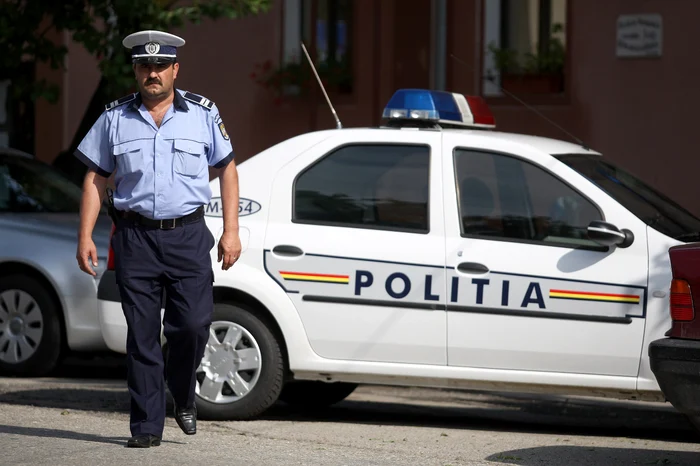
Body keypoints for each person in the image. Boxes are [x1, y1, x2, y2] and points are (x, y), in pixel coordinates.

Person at [74, 30, 242, 448]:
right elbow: (95, 177)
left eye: (160, 66)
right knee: (143, 336)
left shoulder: (203, 113)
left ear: (174, 70)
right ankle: (147, 426)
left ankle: (183, 394)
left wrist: (232, 231)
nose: (153, 73)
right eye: (145, 66)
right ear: (136, 70)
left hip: (187, 236)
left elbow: (228, 169)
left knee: (192, 326)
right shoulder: (114, 117)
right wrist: (85, 236)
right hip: (134, 238)